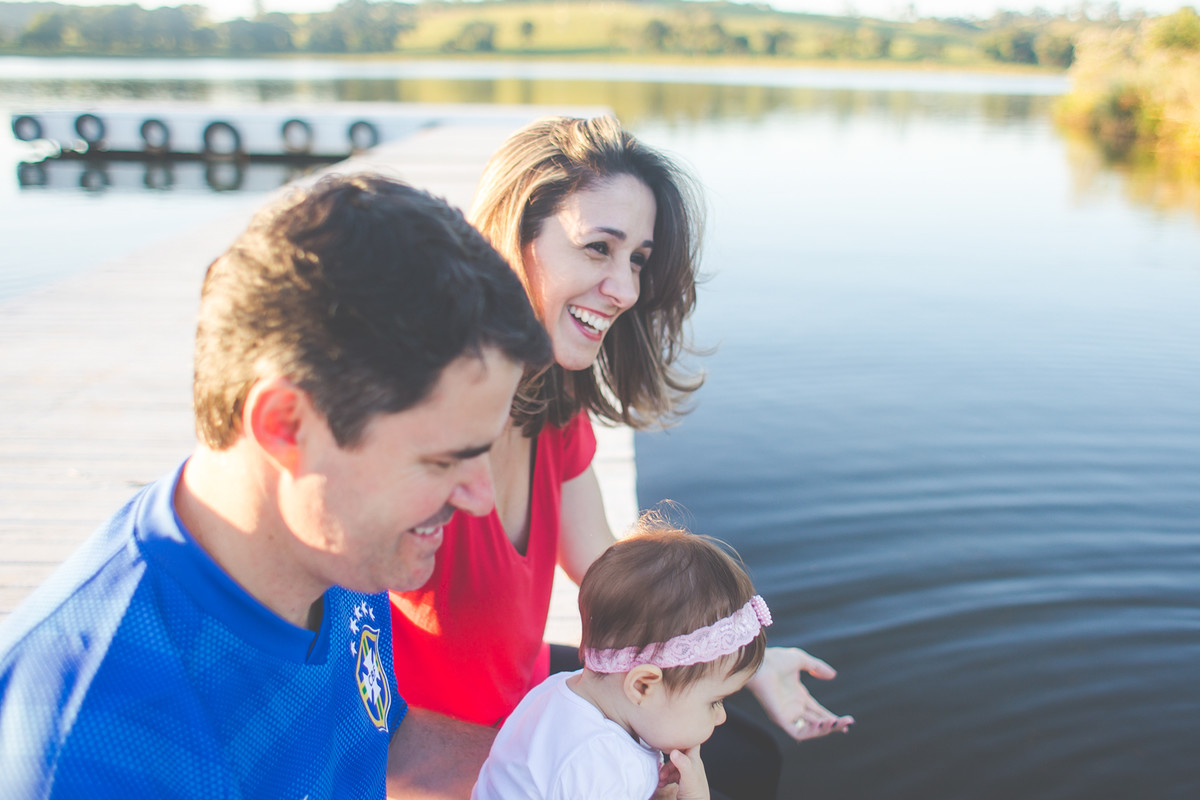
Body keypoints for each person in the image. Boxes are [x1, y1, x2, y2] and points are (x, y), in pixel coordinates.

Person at [0, 174, 551, 799]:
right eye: (442, 460)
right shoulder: (89, 743)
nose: (481, 495)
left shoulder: (339, 552)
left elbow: (381, 740)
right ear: (284, 426)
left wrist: (576, 767)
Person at [390, 116, 853, 800]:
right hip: (444, 753)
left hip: (524, 708)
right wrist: (534, 768)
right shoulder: (415, 435)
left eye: (636, 258)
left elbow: (600, 558)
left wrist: (735, 653)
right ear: (511, 238)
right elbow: (338, 685)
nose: (626, 289)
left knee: (744, 752)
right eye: (597, 248)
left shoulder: (554, 407)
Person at [473, 523, 772, 800]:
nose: (721, 718)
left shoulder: (557, 690)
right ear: (642, 686)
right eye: (715, 702)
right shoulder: (602, 767)